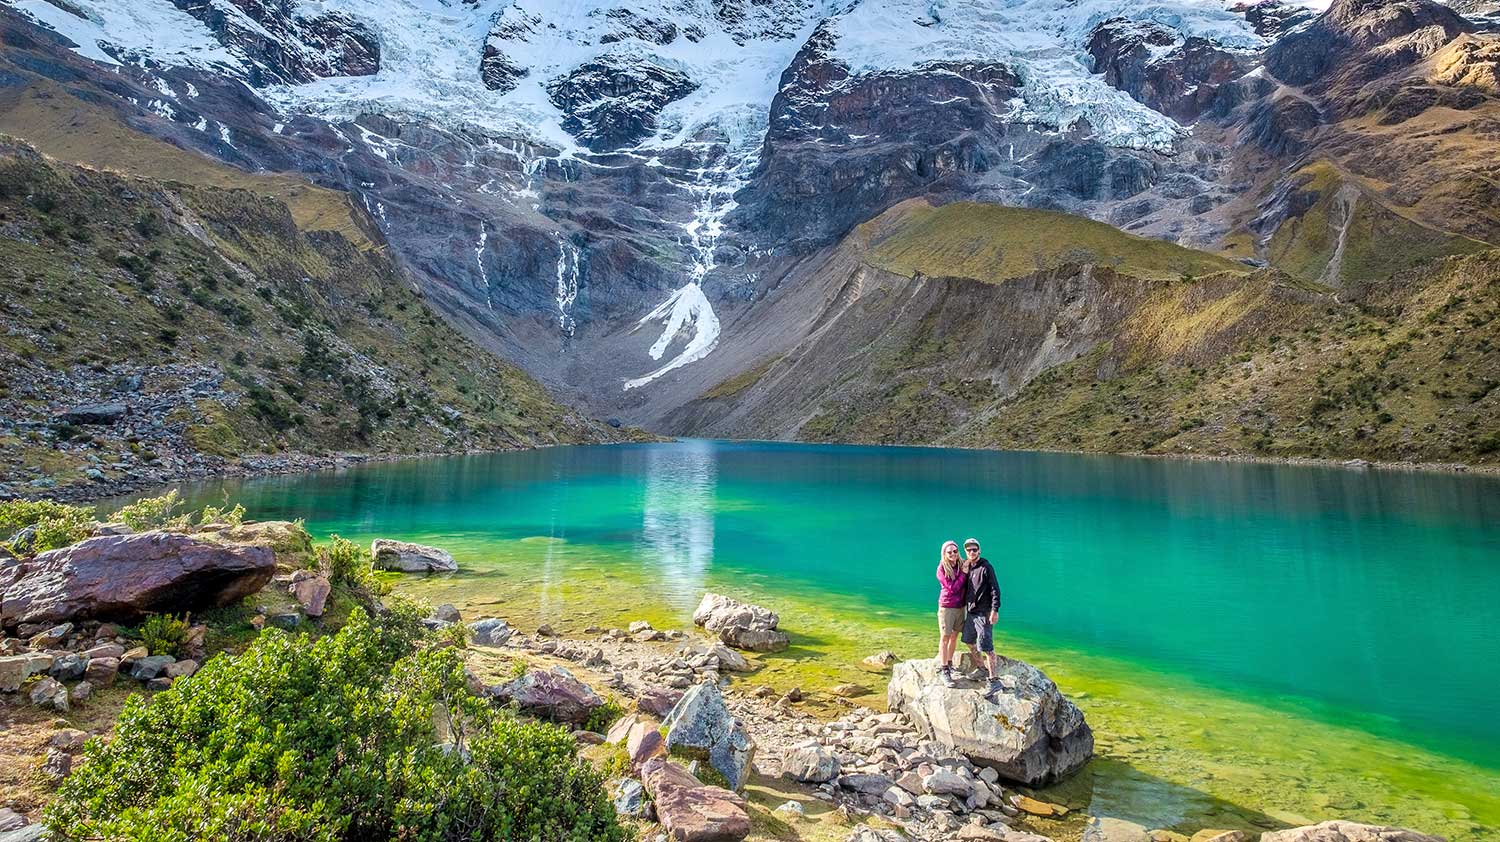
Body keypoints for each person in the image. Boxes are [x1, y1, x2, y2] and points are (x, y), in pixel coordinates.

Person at [960, 537, 1003, 694]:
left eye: (974, 549)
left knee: (987, 646)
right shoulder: (967, 566)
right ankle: (981, 668)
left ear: (979, 550)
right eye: (968, 550)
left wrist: (994, 610)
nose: (971, 552)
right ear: (965, 551)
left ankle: (994, 681)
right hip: (971, 612)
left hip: (983, 613)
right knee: (968, 641)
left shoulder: (986, 567)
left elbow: (995, 589)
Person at [935, 539, 967, 687]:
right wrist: (964, 574)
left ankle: (949, 662)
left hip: (961, 606)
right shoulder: (942, 568)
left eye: (955, 551)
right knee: (945, 637)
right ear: (944, 554)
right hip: (947, 606)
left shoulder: (962, 564)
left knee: (954, 635)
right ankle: (944, 670)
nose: (953, 554)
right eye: (950, 552)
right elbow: (952, 588)